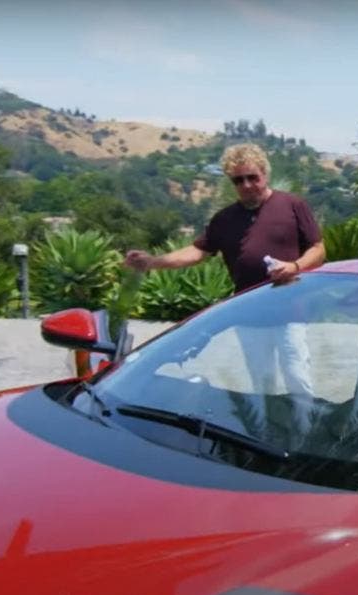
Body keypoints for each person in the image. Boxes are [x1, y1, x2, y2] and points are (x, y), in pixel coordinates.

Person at [124, 143, 326, 447]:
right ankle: (265, 438)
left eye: (252, 177)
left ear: (264, 174)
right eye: (238, 180)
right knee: (260, 381)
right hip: (249, 314)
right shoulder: (224, 219)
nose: (246, 185)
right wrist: (153, 262)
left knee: (297, 375)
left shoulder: (292, 205)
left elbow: (319, 249)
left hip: (290, 310)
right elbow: (197, 252)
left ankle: (308, 435)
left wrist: (295, 266)